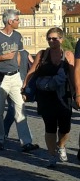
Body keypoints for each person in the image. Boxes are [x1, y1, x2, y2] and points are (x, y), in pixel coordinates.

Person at [0, 9, 38, 152]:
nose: (19, 22)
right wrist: (2, 58)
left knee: (20, 107)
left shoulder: (18, 36)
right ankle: (0, 139)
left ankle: (26, 142)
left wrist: (19, 70)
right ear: (10, 21)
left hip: (15, 76)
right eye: (17, 20)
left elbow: (20, 54)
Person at [23, 28, 75, 168]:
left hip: (64, 95)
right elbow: (32, 71)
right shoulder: (43, 54)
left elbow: (73, 75)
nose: (51, 41)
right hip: (45, 96)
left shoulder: (68, 54)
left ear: (61, 39)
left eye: (54, 38)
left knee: (65, 127)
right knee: (50, 127)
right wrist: (25, 87)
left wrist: (77, 93)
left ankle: (61, 145)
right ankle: (52, 155)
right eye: (49, 38)